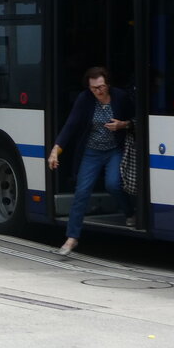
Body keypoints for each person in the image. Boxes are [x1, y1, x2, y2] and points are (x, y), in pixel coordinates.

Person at [47, 66, 136, 255]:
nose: (98, 91)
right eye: (94, 88)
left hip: (114, 149)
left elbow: (136, 118)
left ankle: (130, 212)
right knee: (82, 191)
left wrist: (123, 125)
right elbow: (71, 125)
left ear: (108, 84)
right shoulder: (85, 99)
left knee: (113, 184)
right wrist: (56, 150)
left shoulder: (120, 97)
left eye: (101, 87)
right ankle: (71, 238)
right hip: (92, 151)